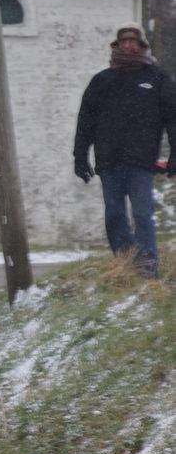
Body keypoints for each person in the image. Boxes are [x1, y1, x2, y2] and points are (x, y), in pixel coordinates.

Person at [74, 22, 176, 277]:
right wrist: (80, 155)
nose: (129, 46)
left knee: (142, 214)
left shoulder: (157, 79)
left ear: (142, 46)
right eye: (124, 42)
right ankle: (126, 263)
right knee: (115, 216)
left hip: (141, 161)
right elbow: (86, 120)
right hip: (109, 161)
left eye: (134, 42)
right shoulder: (102, 81)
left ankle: (147, 268)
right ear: (117, 46)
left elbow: (173, 118)